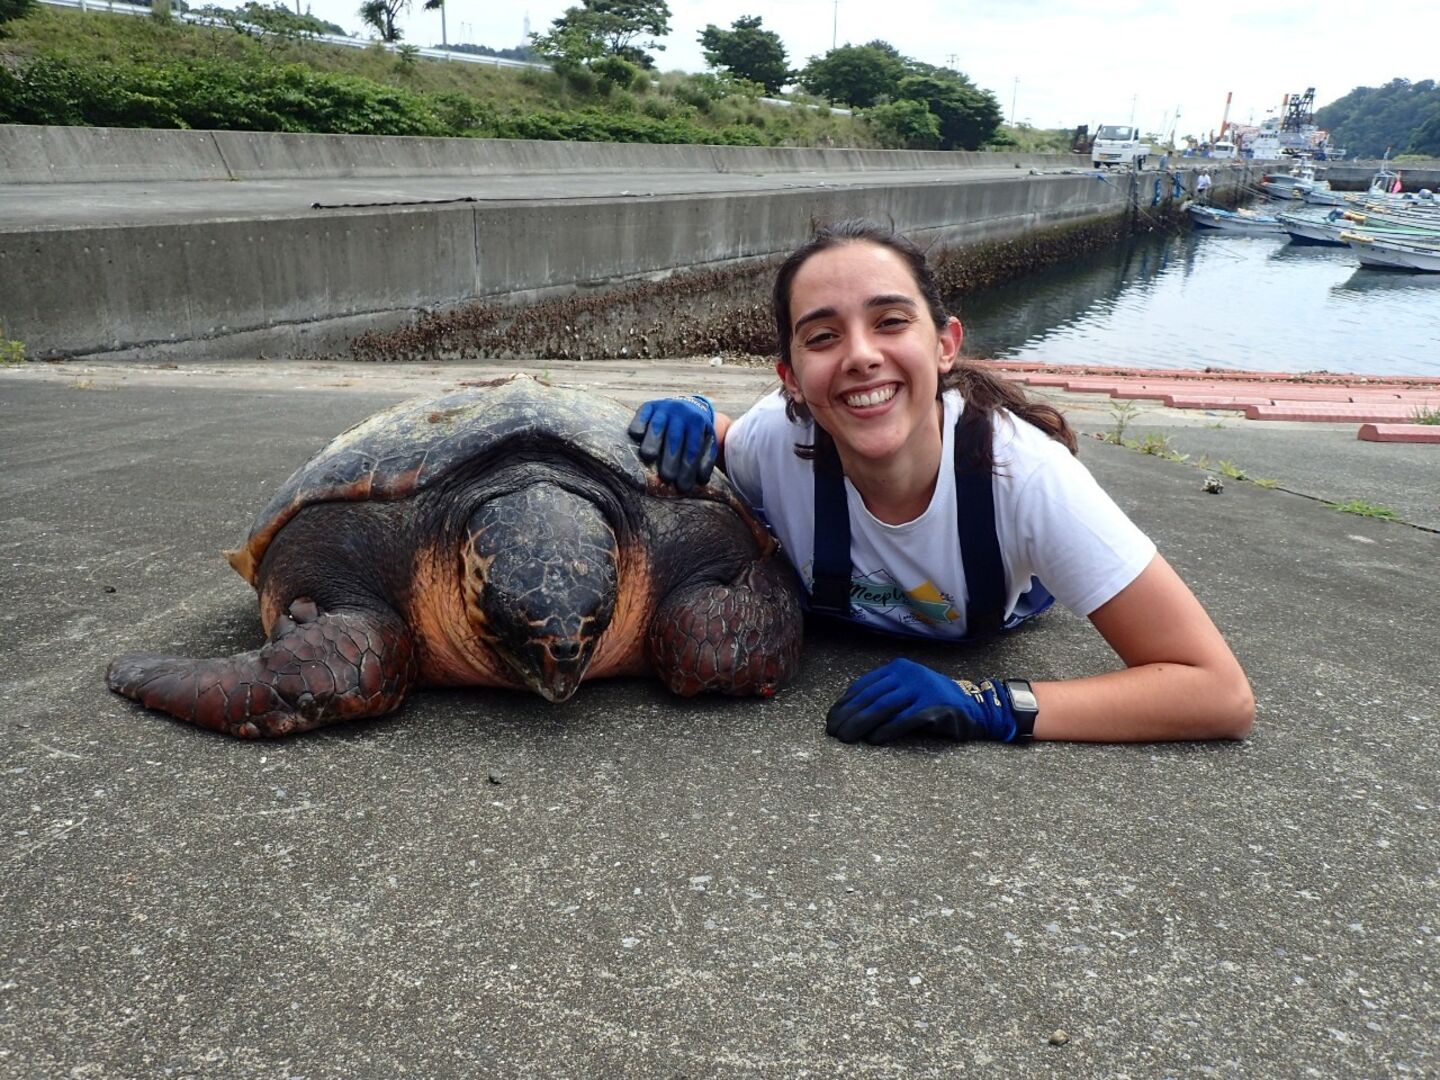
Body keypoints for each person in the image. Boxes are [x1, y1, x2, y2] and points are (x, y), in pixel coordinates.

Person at [629, 220, 1253, 747]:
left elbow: (1217, 690)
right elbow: (726, 435)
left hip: (1000, 615)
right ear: (791, 377)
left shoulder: (1027, 478)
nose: (860, 355)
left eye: (891, 321)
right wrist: (695, 415)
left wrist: (993, 704)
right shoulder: (775, 441)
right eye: (823, 336)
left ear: (945, 343)